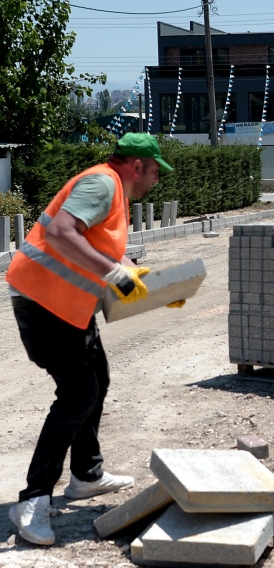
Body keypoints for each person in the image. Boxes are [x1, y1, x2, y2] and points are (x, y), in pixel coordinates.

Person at [6, 133, 175, 546]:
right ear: (137, 165)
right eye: (155, 172)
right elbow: (63, 232)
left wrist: (134, 274)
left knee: (96, 378)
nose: (155, 180)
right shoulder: (102, 183)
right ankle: (32, 499)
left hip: (67, 305)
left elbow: (99, 245)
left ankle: (86, 474)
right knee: (78, 393)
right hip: (43, 303)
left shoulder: (115, 194)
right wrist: (114, 273)